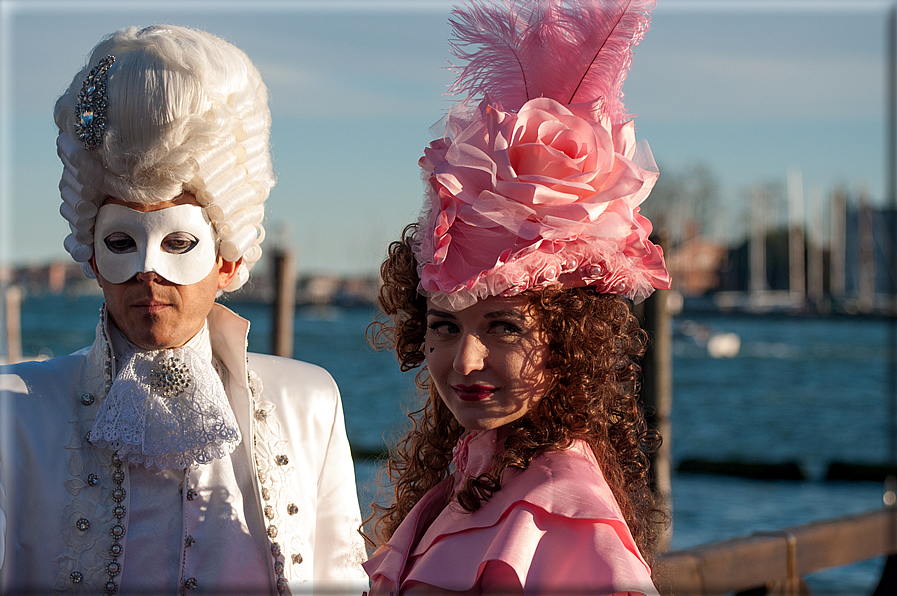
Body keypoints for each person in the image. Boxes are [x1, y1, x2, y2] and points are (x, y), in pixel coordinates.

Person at [0, 25, 368, 594]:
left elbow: (340, 578)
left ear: (228, 261)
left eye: (178, 243)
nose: (149, 271)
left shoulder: (309, 402)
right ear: (92, 257)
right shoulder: (14, 415)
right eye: (122, 241)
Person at [362, 0, 671, 593]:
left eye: (504, 327)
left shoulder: (566, 511)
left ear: (567, 341)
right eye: (445, 326)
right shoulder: (475, 473)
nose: (465, 360)